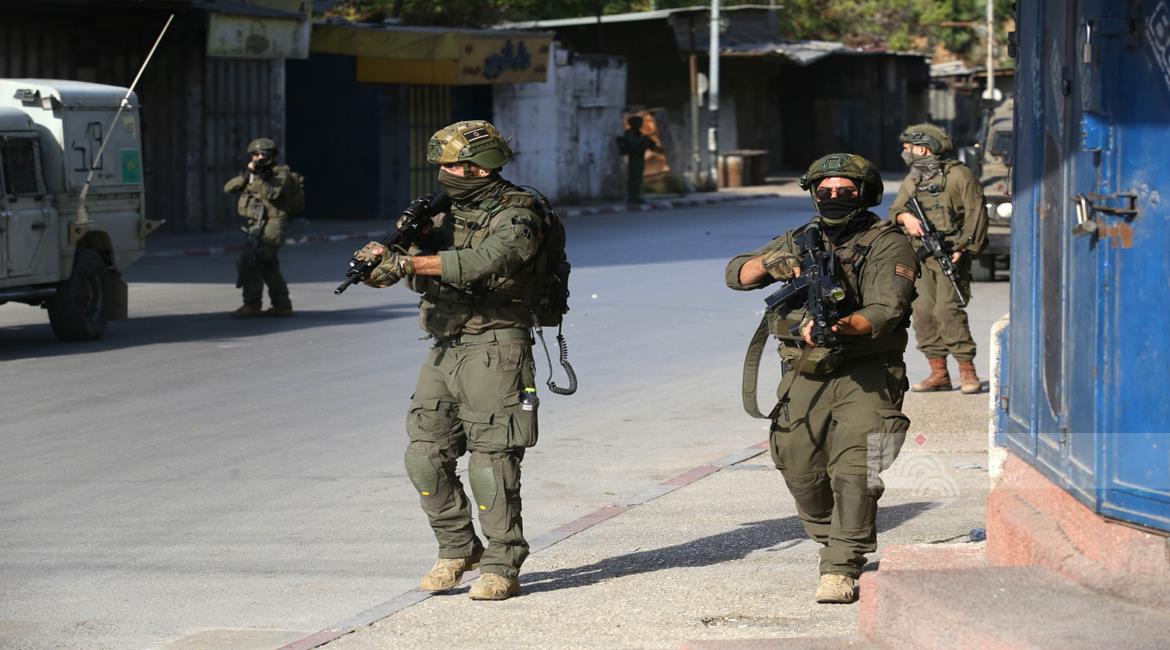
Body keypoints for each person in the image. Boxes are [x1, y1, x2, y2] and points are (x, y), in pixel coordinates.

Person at [352, 120, 548, 601]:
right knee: (423, 456)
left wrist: (411, 262)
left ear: (480, 166)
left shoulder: (519, 213)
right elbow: (400, 268)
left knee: (491, 461)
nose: (444, 174)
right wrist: (382, 261)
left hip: (497, 345)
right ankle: (458, 548)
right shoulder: (441, 213)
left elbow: (489, 260)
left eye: (452, 165)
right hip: (444, 345)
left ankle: (502, 563)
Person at [725, 153, 917, 604]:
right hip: (806, 370)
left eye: (845, 190)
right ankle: (836, 537)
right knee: (798, 466)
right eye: (825, 190)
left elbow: (886, 310)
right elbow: (736, 274)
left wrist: (838, 325)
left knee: (855, 469)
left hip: (866, 371)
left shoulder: (887, 244)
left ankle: (841, 565)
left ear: (865, 195)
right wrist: (773, 263)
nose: (834, 197)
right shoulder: (801, 238)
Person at [888, 123, 989, 394]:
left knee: (948, 311)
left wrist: (964, 247)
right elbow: (895, 210)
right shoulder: (913, 178)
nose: (905, 151)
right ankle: (939, 373)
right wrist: (905, 218)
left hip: (952, 254)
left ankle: (967, 371)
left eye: (908, 147)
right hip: (921, 256)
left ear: (924, 148)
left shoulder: (959, 175)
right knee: (922, 313)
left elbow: (976, 213)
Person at [223, 137, 303, 318]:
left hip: (273, 224)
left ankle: (252, 305)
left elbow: (272, 193)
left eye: (263, 154)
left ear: (272, 155)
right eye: (256, 154)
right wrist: (247, 175)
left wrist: (260, 176)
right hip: (256, 224)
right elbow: (229, 188)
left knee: (251, 262)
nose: (259, 157)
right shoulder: (251, 174)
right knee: (269, 267)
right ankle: (282, 305)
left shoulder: (280, 173)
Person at [615, 114, 661, 204]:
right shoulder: (628, 135)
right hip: (634, 159)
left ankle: (636, 196)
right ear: (634, 124)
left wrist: (651, 143)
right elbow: (631, 144)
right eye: (639, 123)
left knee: (638, 179)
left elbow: (653, 146)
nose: (641, 125)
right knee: (634, 179)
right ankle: (633, 197)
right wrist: (643, 140)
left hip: (640, 159)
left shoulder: (640, 135)